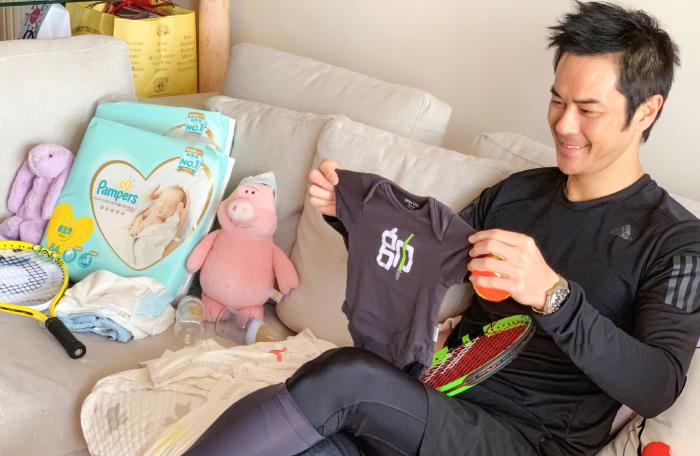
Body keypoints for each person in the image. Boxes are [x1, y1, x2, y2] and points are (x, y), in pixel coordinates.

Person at [185, 2, 700, 455]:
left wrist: (554, 296)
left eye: (588, 110)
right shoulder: (519, 193)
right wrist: (352, 216)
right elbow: (426, 255)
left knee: (345, 375)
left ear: (646, 110)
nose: (564, 125)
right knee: (305, 439)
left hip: (526, 439)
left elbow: (657, 385)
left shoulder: (677, 242)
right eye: (558, 101)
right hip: (430, 405)